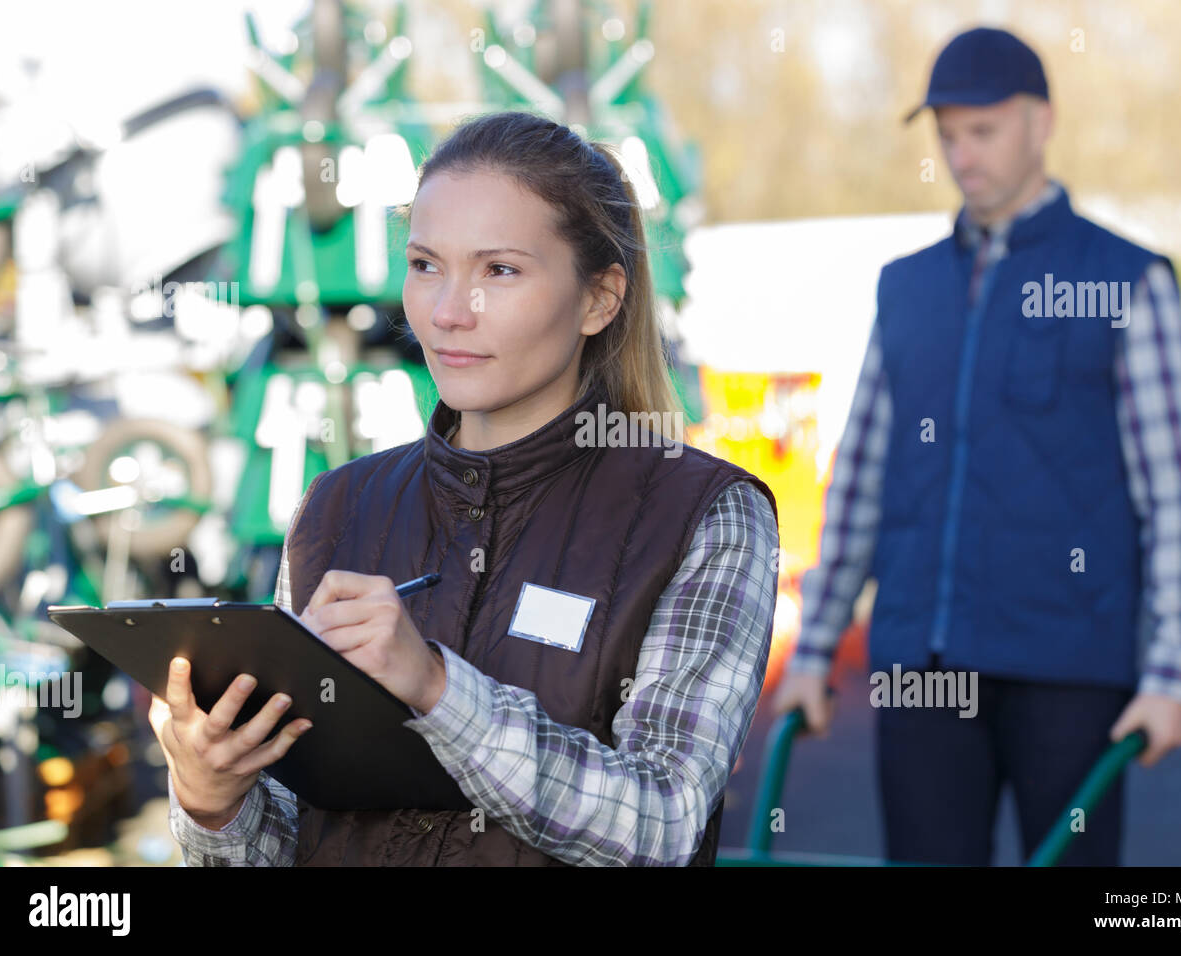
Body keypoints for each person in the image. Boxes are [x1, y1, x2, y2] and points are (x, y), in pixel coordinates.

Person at [149, 110, 780, 866]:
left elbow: (662, 825)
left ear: (599, 298)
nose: (448, 311)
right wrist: (213, 802)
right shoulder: (336, 509)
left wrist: (438, 688)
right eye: (425, 265)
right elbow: (288, 839)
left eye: (499, 271)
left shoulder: (707, 516)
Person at [773, 26, 1181, 866]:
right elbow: (864, 478)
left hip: (1069, 671)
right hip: (920, 667)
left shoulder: (1125, 281)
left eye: (982, 131)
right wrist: (812, 650)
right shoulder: (906, 287)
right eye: (947, 134)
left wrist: (1172, 673)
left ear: (1041, 121)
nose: (961, 154)